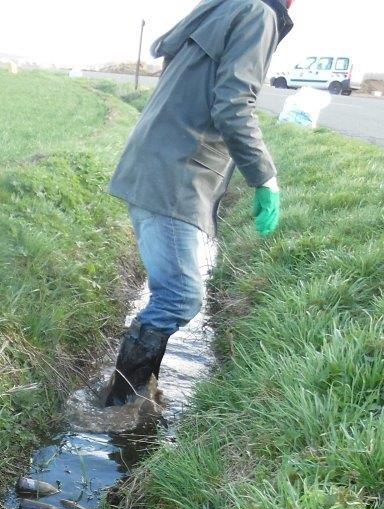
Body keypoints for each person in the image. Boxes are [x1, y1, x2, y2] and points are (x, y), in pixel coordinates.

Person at [104, 0, 293, 407]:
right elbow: (233, 105)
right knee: (181, 296)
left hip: (155, 166)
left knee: (169, 292)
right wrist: (265, 177)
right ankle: (120, 405)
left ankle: (139, 395)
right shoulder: (257, 13)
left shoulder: (225, 7)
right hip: (176, 175)